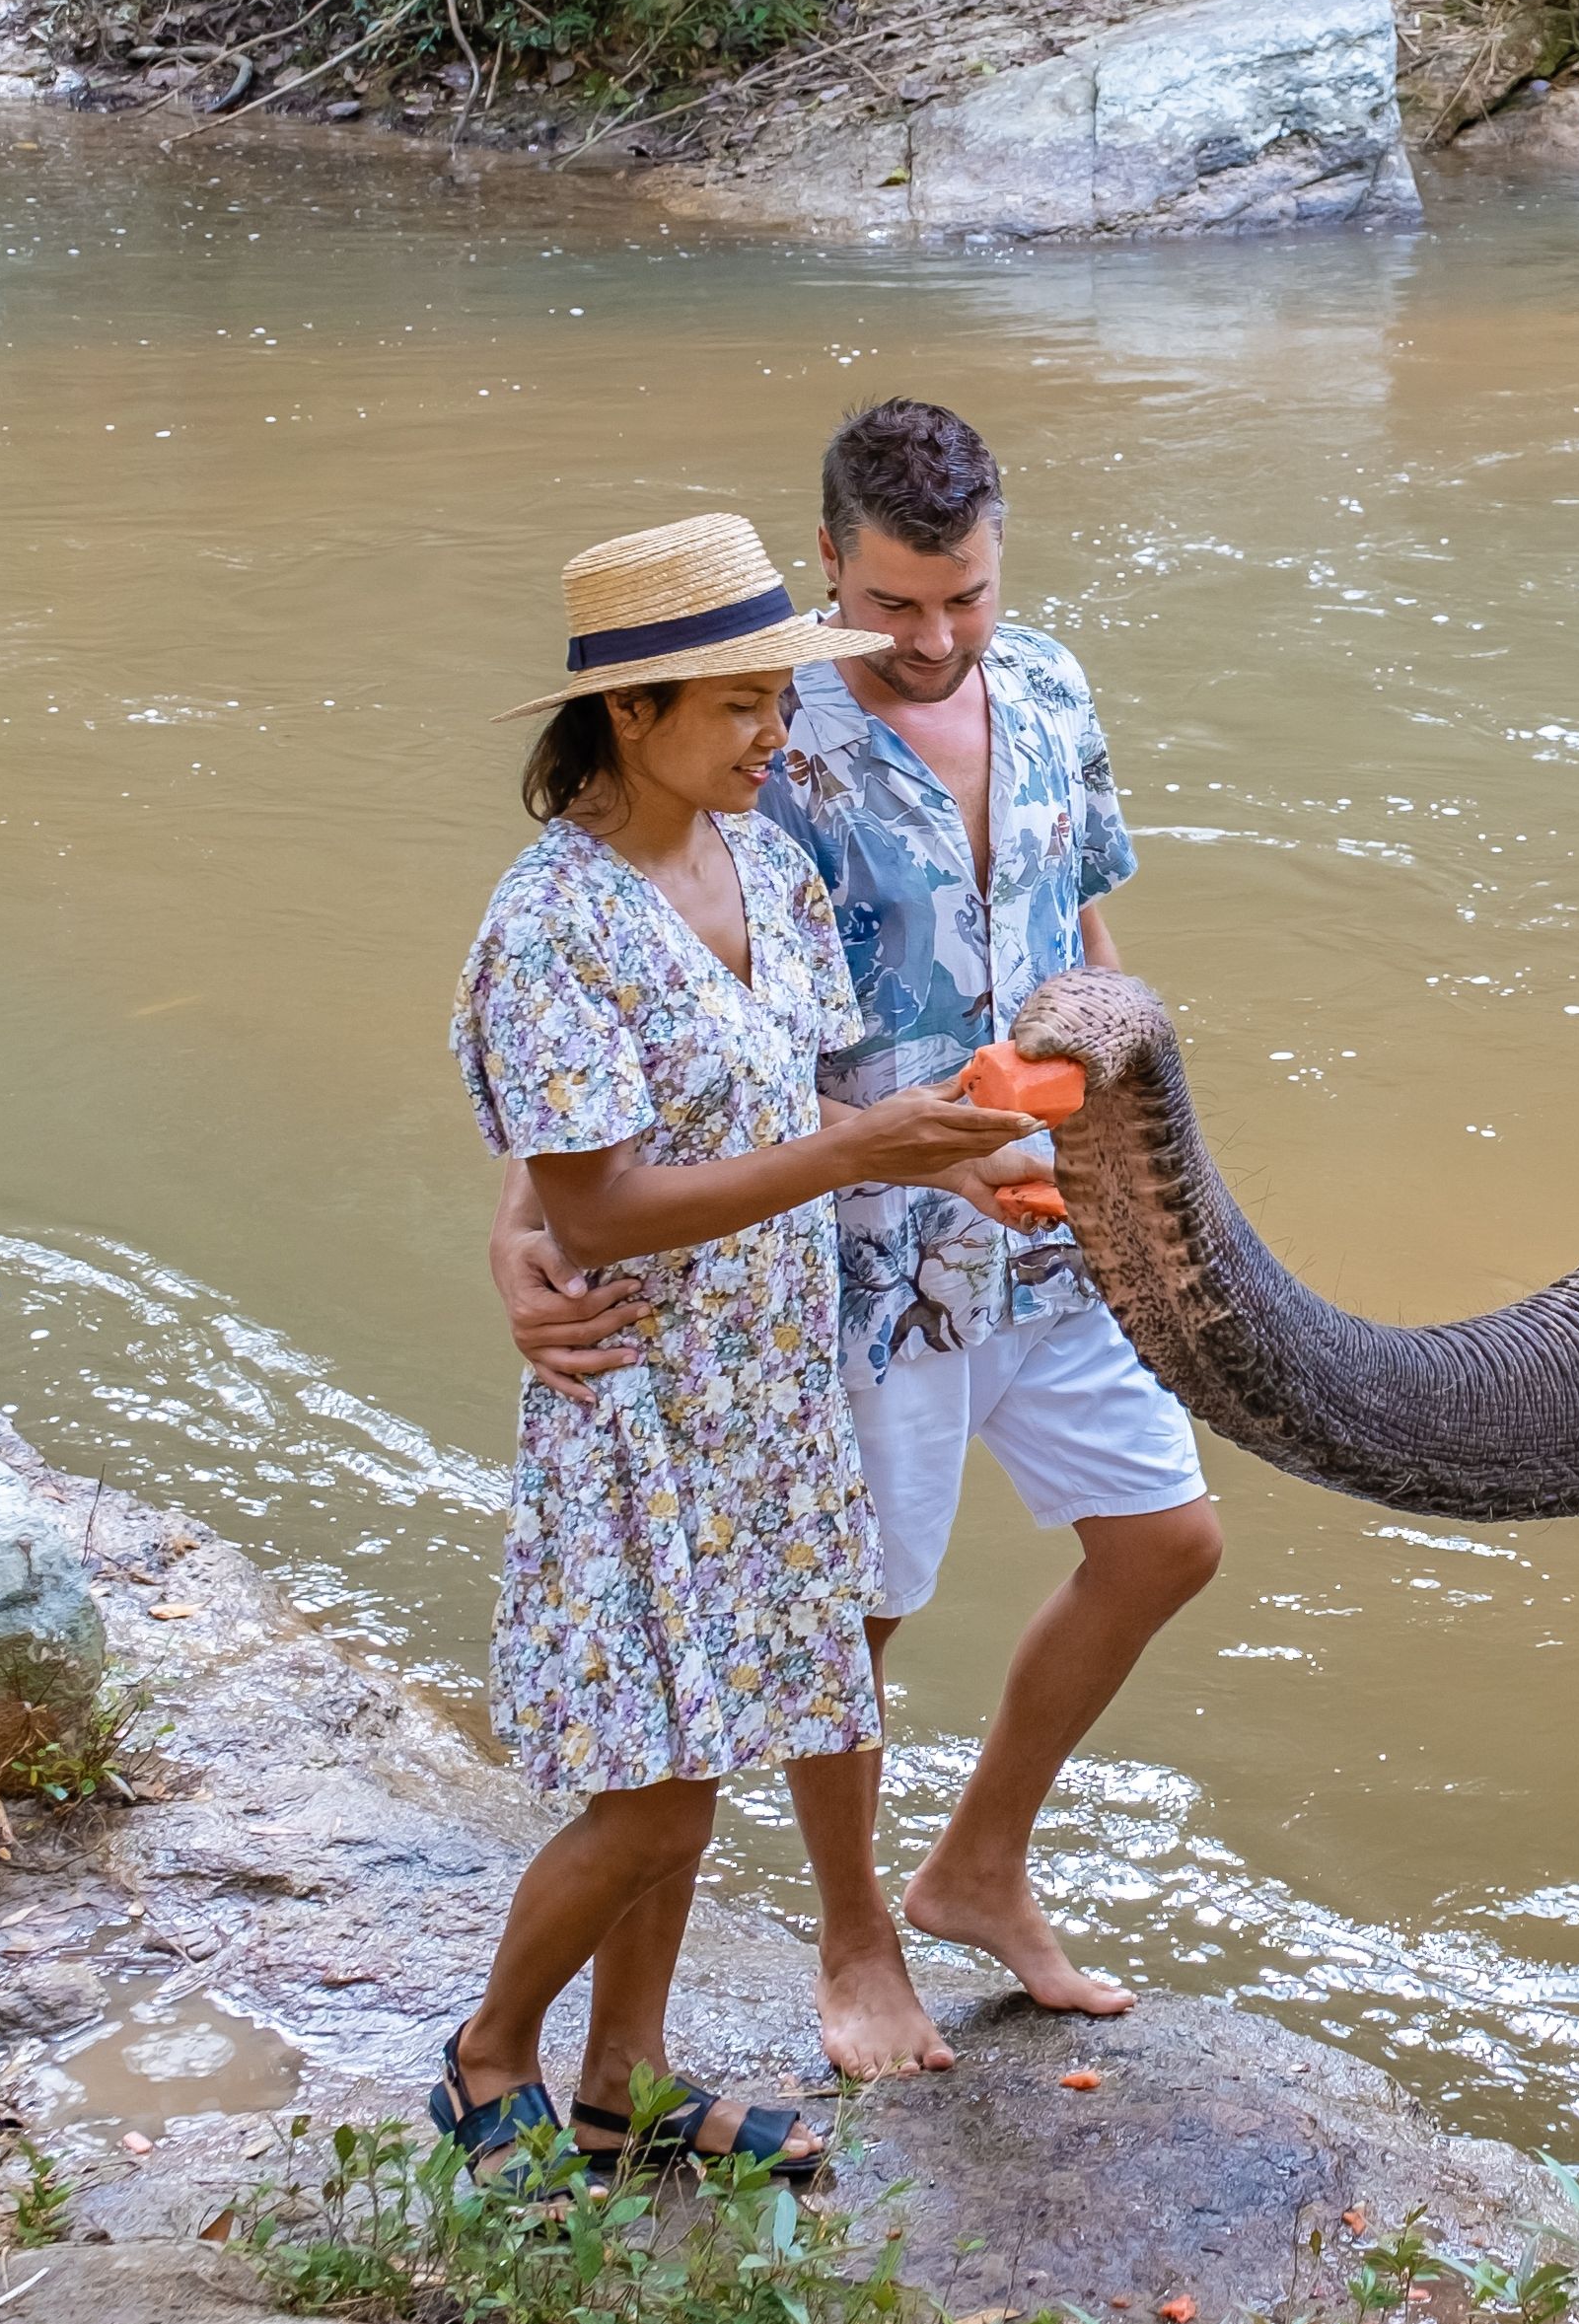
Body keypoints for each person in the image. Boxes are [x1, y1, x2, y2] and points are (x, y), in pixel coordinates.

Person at [493, 395, 1220, 2073]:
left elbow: (1085, 913)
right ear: (828, 562)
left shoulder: (1043, 685)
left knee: (1164, 1540)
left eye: (962, 593)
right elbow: (646, 1018)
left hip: (1047, 1213)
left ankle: (978, 1867)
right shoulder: (749, 736)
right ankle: (851, 1934)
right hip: (848, 1248)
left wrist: (1137, 1113)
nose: (934, 634)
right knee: (852, 1619)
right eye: (894, 601)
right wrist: (522, 1229)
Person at [441, 507, 1028, 2185]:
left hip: (771, 1392)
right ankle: (492, 2057)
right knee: (664, 1791)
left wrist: (963, 1163)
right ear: (632, 715)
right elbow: (603, 1209)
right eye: (747, 707)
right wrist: (856, 1156)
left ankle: (630, 2078)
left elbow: (820, 1096)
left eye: (785, 698)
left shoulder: (762, 858)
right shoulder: (549, 923)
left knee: (701, 1751)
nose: (784, 735)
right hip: (642, 1394)